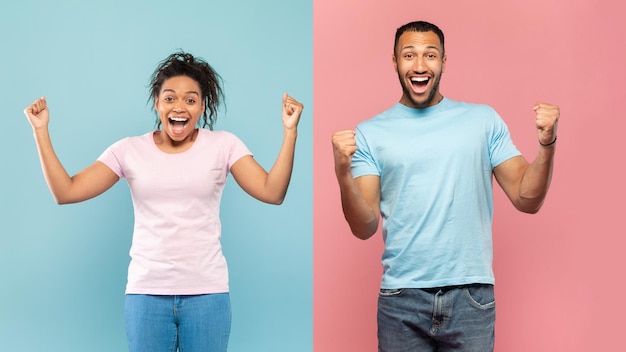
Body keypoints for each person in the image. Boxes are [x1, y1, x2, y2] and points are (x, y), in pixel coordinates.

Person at [24, 51, 303, 352]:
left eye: (190, 99)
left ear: (202, 106)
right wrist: (41, 131)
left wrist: (290, 132)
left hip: (207, 295)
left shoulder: (224, 145)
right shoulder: (128, 150)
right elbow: (66, 191)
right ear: (157, 102)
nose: (179, 107)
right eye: (170, 98)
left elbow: (272, 192)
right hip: (146, 295)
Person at [331, 21, 559, 351]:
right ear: (395, 61)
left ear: (444, 61)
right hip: (401, 300)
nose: (420, 65)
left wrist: (547, 144)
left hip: (472, 297)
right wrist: (342, 172)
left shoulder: (483, 121)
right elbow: (363, 226)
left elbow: (527, 198)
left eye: (430, 55)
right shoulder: (370, 133)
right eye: (409, 55)